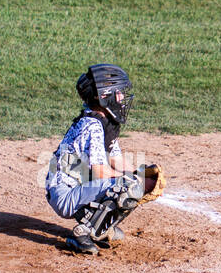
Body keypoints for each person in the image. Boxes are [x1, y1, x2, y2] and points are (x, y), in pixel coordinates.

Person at [45, 63, 162, 255]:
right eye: (119, 92)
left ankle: (100, 228)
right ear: (105, 96)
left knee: (132, 182)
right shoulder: (92, 125)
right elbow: (100, 171)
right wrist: (134, 181)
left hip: (76, 189)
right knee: (127, 186)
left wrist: (139, 175)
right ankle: (83, 232)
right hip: (65, 194)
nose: (122, 97)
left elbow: (116, 160)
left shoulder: (102, 124)